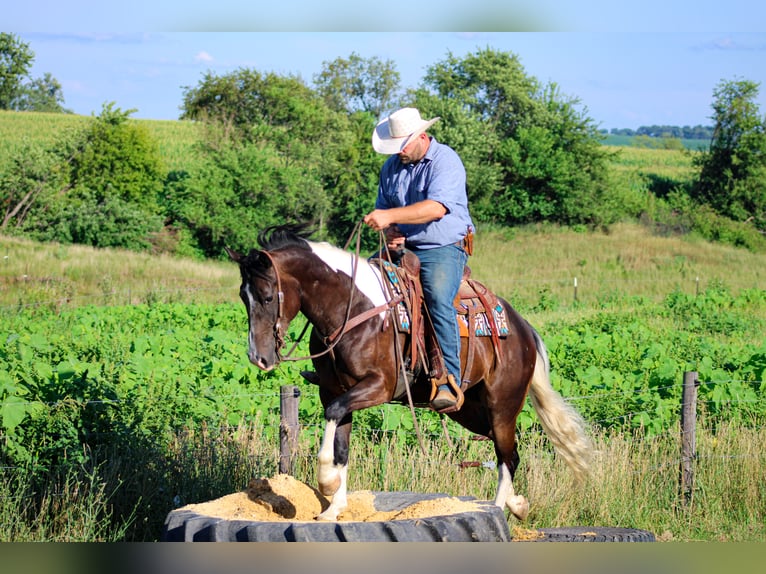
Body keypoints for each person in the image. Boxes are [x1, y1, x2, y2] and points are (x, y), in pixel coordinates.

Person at [363, 107, 475, 413]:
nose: (399, 153)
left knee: (438, 296)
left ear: (421, 137)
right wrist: (392, 231)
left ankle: (447, 378)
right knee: (361, 283)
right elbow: (386, 211)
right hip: (405, 247)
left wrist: (389, 217)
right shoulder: (391, 167)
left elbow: (435, 208)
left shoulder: (445, 161)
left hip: (442, 245)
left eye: (403, 146)